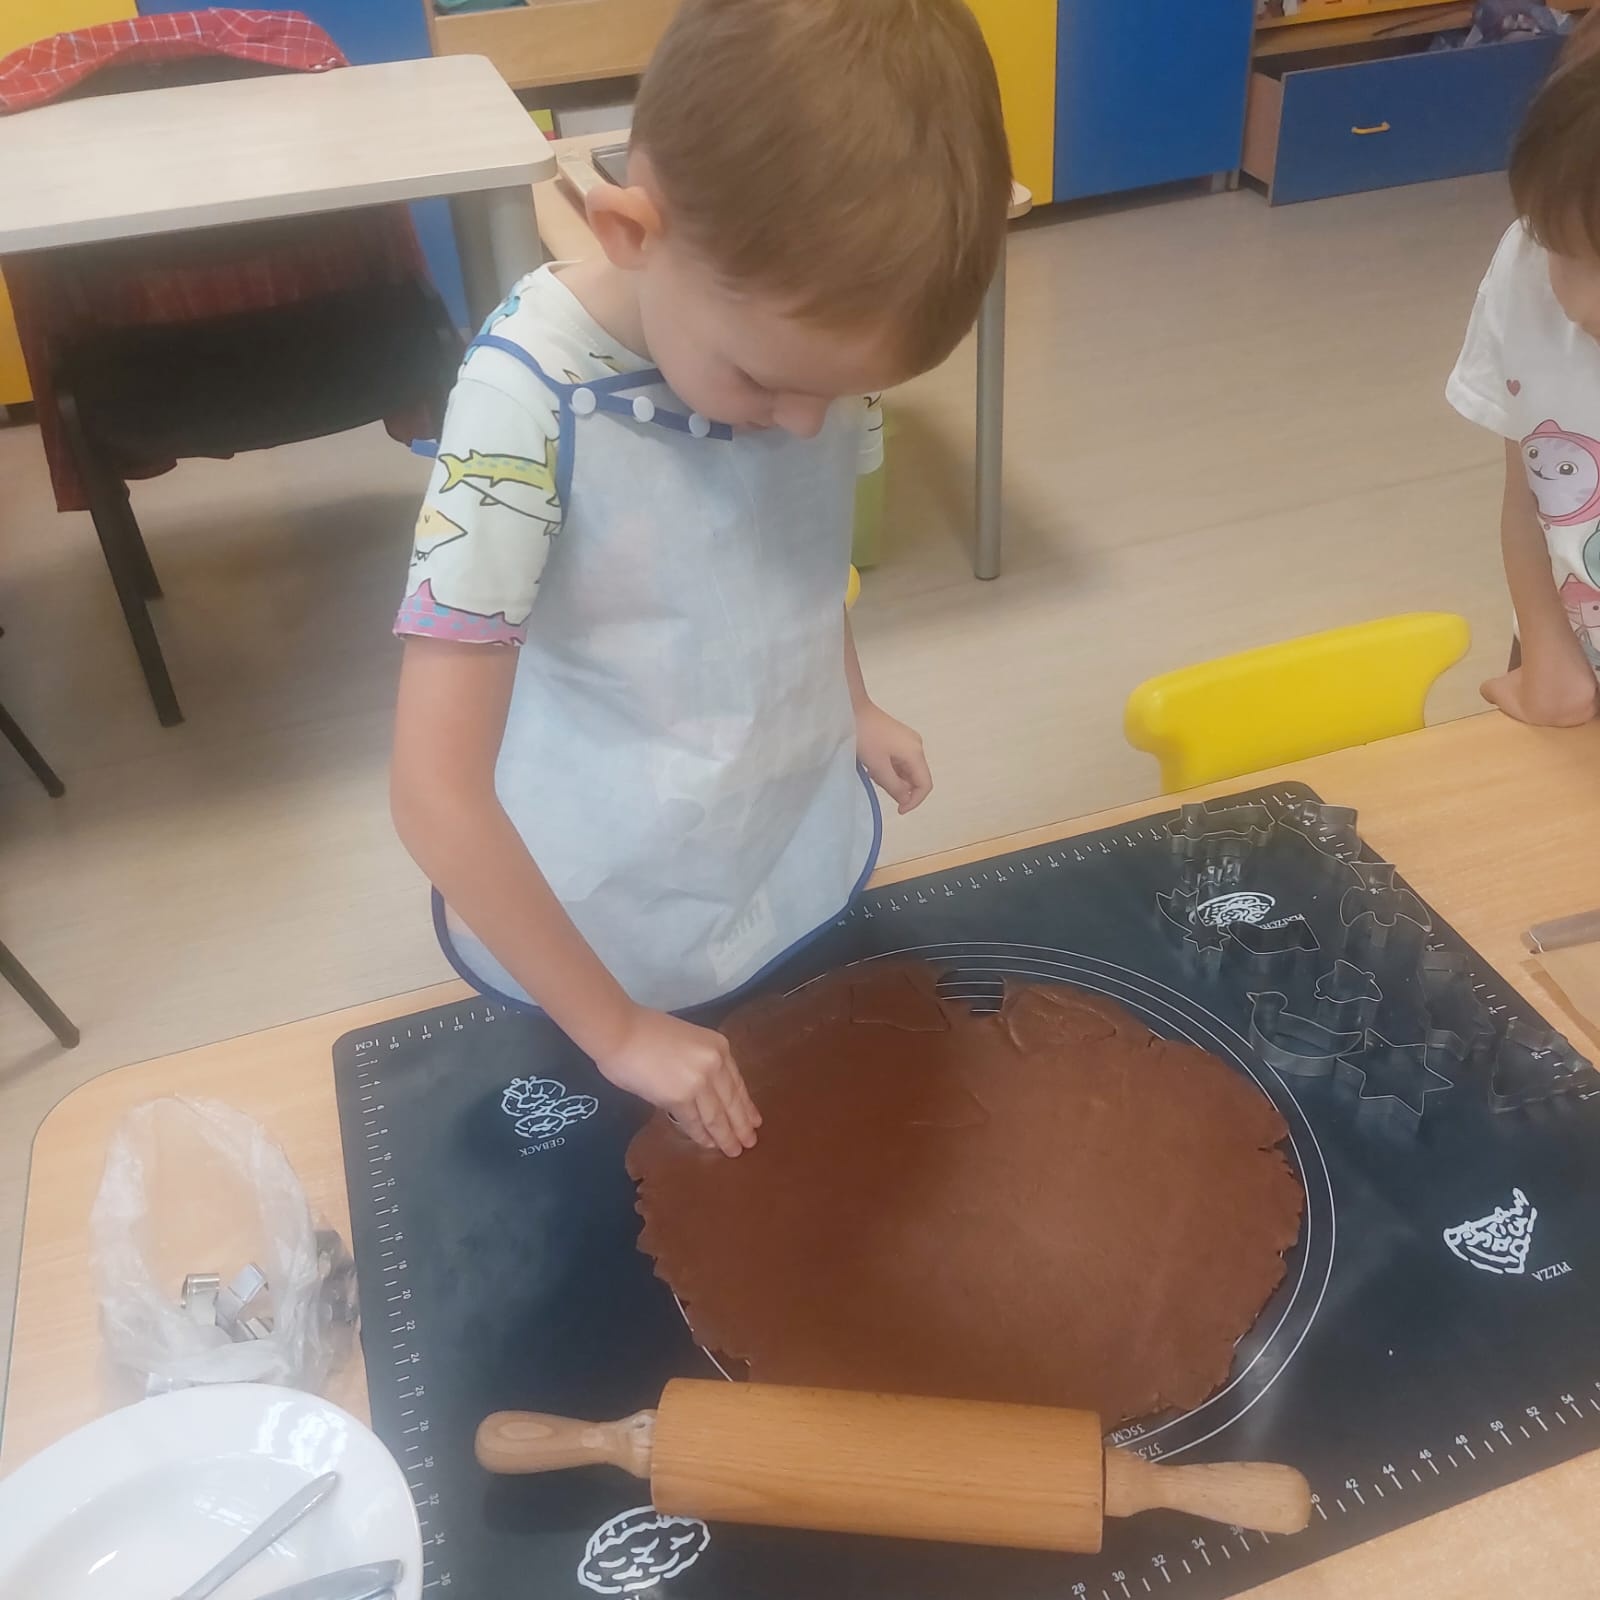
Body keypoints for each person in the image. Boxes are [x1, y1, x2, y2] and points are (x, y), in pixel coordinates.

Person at [390, 0, 1012, 1157]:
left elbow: (793, 552)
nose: (807, 423)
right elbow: (434, 792)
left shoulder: (802, 349)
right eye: (766, 385)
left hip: (778, 831)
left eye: (840, 395)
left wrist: (852, 704)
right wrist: (618, 1028)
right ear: (632, 231)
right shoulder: (519, 409)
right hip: (599, 906)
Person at [1448, 15, 1600, 726]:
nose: (1583, 308)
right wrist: (1544, 650)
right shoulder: (1524, 266)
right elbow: (1526, 495)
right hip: (1566, 647)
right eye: (1565, 252)